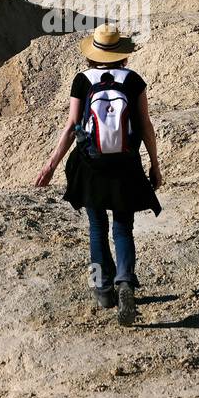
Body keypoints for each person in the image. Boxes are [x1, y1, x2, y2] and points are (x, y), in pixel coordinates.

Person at [35, 23, 162, 326]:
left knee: (96, 227)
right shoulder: (133, 80)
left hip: (90, 166)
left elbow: (72, 126)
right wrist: (155, 164)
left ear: (93, 55)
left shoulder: (82, 80)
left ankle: (102, 288)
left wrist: (51, 165)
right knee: (123, 227)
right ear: (122, 56)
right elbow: (145, 126)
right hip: (126, 164)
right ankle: (126, 283)